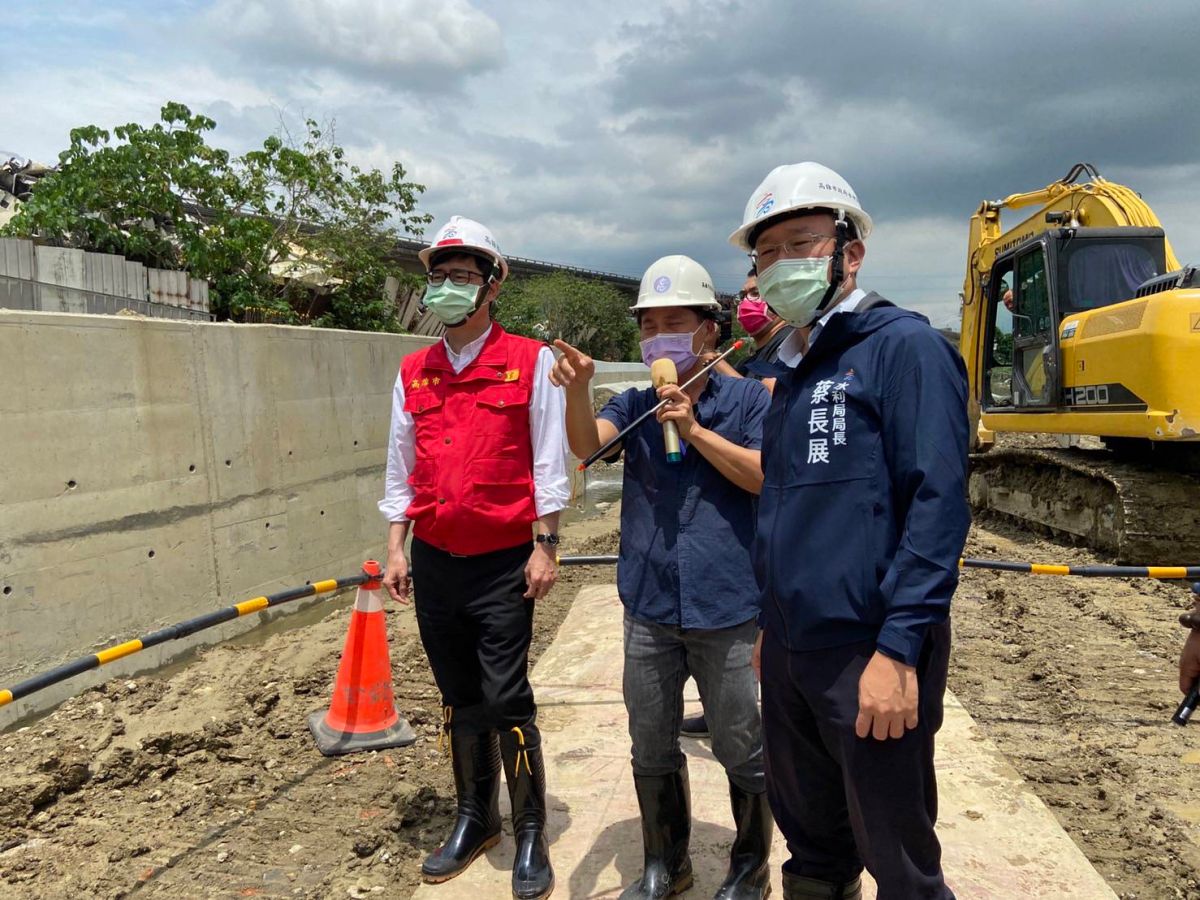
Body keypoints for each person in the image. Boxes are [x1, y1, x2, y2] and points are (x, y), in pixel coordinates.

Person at [728, 164, 970, 900]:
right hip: (791, 650)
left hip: (868, 650)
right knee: (812, 849)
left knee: (897, 854)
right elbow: (785, 509)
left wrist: (899, 649)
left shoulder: (905, 349)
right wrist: (773, 622)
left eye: (800, 244)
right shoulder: (794, 368)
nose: (781, 265)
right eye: (766, 253)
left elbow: (937, 505)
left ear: (849, 252)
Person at [551, 254, 773, 899]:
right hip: (648, 605)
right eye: (649, 327)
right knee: (649, 740)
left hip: (728, 607)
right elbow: (587, 445)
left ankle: (751, 864)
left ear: (709, 329)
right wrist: (575, 389)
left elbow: (763, 477)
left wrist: (693, 430)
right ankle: (666, 861)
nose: (659, 339)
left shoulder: (747, 399)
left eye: (674, 324)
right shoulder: (635, 403)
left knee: (740, 741)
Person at [378, 215, 567, 900]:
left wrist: (546, 545)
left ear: (491, 286)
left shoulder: (529, 361)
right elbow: (400, 464)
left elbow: (549, 460)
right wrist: (395, 547)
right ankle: (475, 817)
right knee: (459, 695)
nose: (449, 286)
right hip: (436, 561)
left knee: (506, 697)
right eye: (440, 276)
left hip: (503, 562)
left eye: (463, 275)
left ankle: (529, 828)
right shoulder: (415, 371)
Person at [681, 265, 794, 741]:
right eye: (744, 294)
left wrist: (714, 364)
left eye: (756, 293)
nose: (748, 303)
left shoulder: (790, 348)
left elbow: (773, 395)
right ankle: (721, 709)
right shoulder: (760, 350)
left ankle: (764, 722)